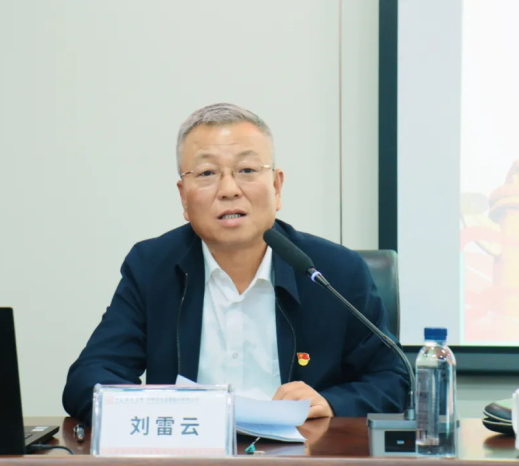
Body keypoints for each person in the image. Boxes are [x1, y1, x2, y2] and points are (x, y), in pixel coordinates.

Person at [62, 103, 408, 423]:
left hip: (301, 453)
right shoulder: (152, 266)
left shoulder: (333, 271)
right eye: (207, 173)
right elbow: (90, 377)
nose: (229, 189)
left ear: (276, 186)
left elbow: (393, 378)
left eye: (246, 170)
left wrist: (331, 403)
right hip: (189, 452)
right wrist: (156, 411)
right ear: (183, 197)